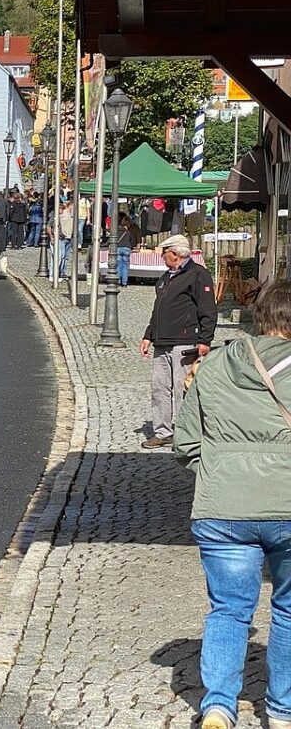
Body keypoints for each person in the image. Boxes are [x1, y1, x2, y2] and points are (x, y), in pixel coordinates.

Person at [173, 282, 291, 729]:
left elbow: (186, 445)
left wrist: (224, 468)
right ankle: (281, 712)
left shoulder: (215, 364)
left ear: (258, 319)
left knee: (228, 609)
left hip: (222, 507)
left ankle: (220, 706)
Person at [140, 234, 216, 449]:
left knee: (183, 389)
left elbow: (208, 309)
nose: (162, 256)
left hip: (185, 341)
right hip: (162, 341)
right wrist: (148, 335)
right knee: (159, 388)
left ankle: (185, 434)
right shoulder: (165, 278)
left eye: (165, 252)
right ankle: (162, 432)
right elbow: (158, 310)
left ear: (175, 253)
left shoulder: (197, 274)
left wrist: (205, 339)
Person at [116, 212, 140, 287]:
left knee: (118, 265)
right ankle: (124, 283)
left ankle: (118, 281)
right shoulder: (128, 232)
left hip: (118, 248)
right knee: (125, 266)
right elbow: (131, 241)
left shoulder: (116, 231)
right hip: (126, 249)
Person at [56, 200, 74, 279]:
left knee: (66, 257)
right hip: (63, 237)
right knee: (62, 256)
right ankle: (58, 271)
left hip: (70, 237)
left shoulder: (72, 215)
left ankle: (63, 272)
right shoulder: (62, 215)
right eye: (71, 206)